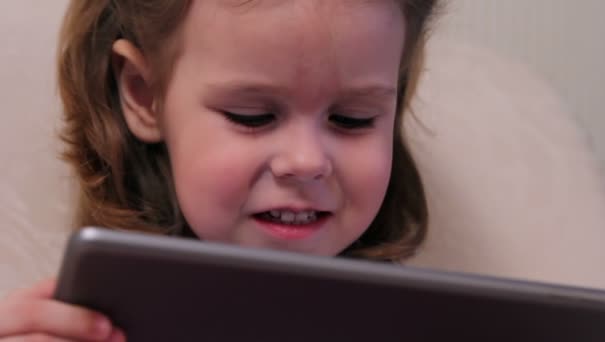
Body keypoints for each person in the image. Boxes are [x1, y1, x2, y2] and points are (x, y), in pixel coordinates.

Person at [0, 0, 439, 340]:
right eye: (252, 116)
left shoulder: (418, 327)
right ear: (144, 96)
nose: (306, 162)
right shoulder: (90, 326)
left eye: (354, 118)